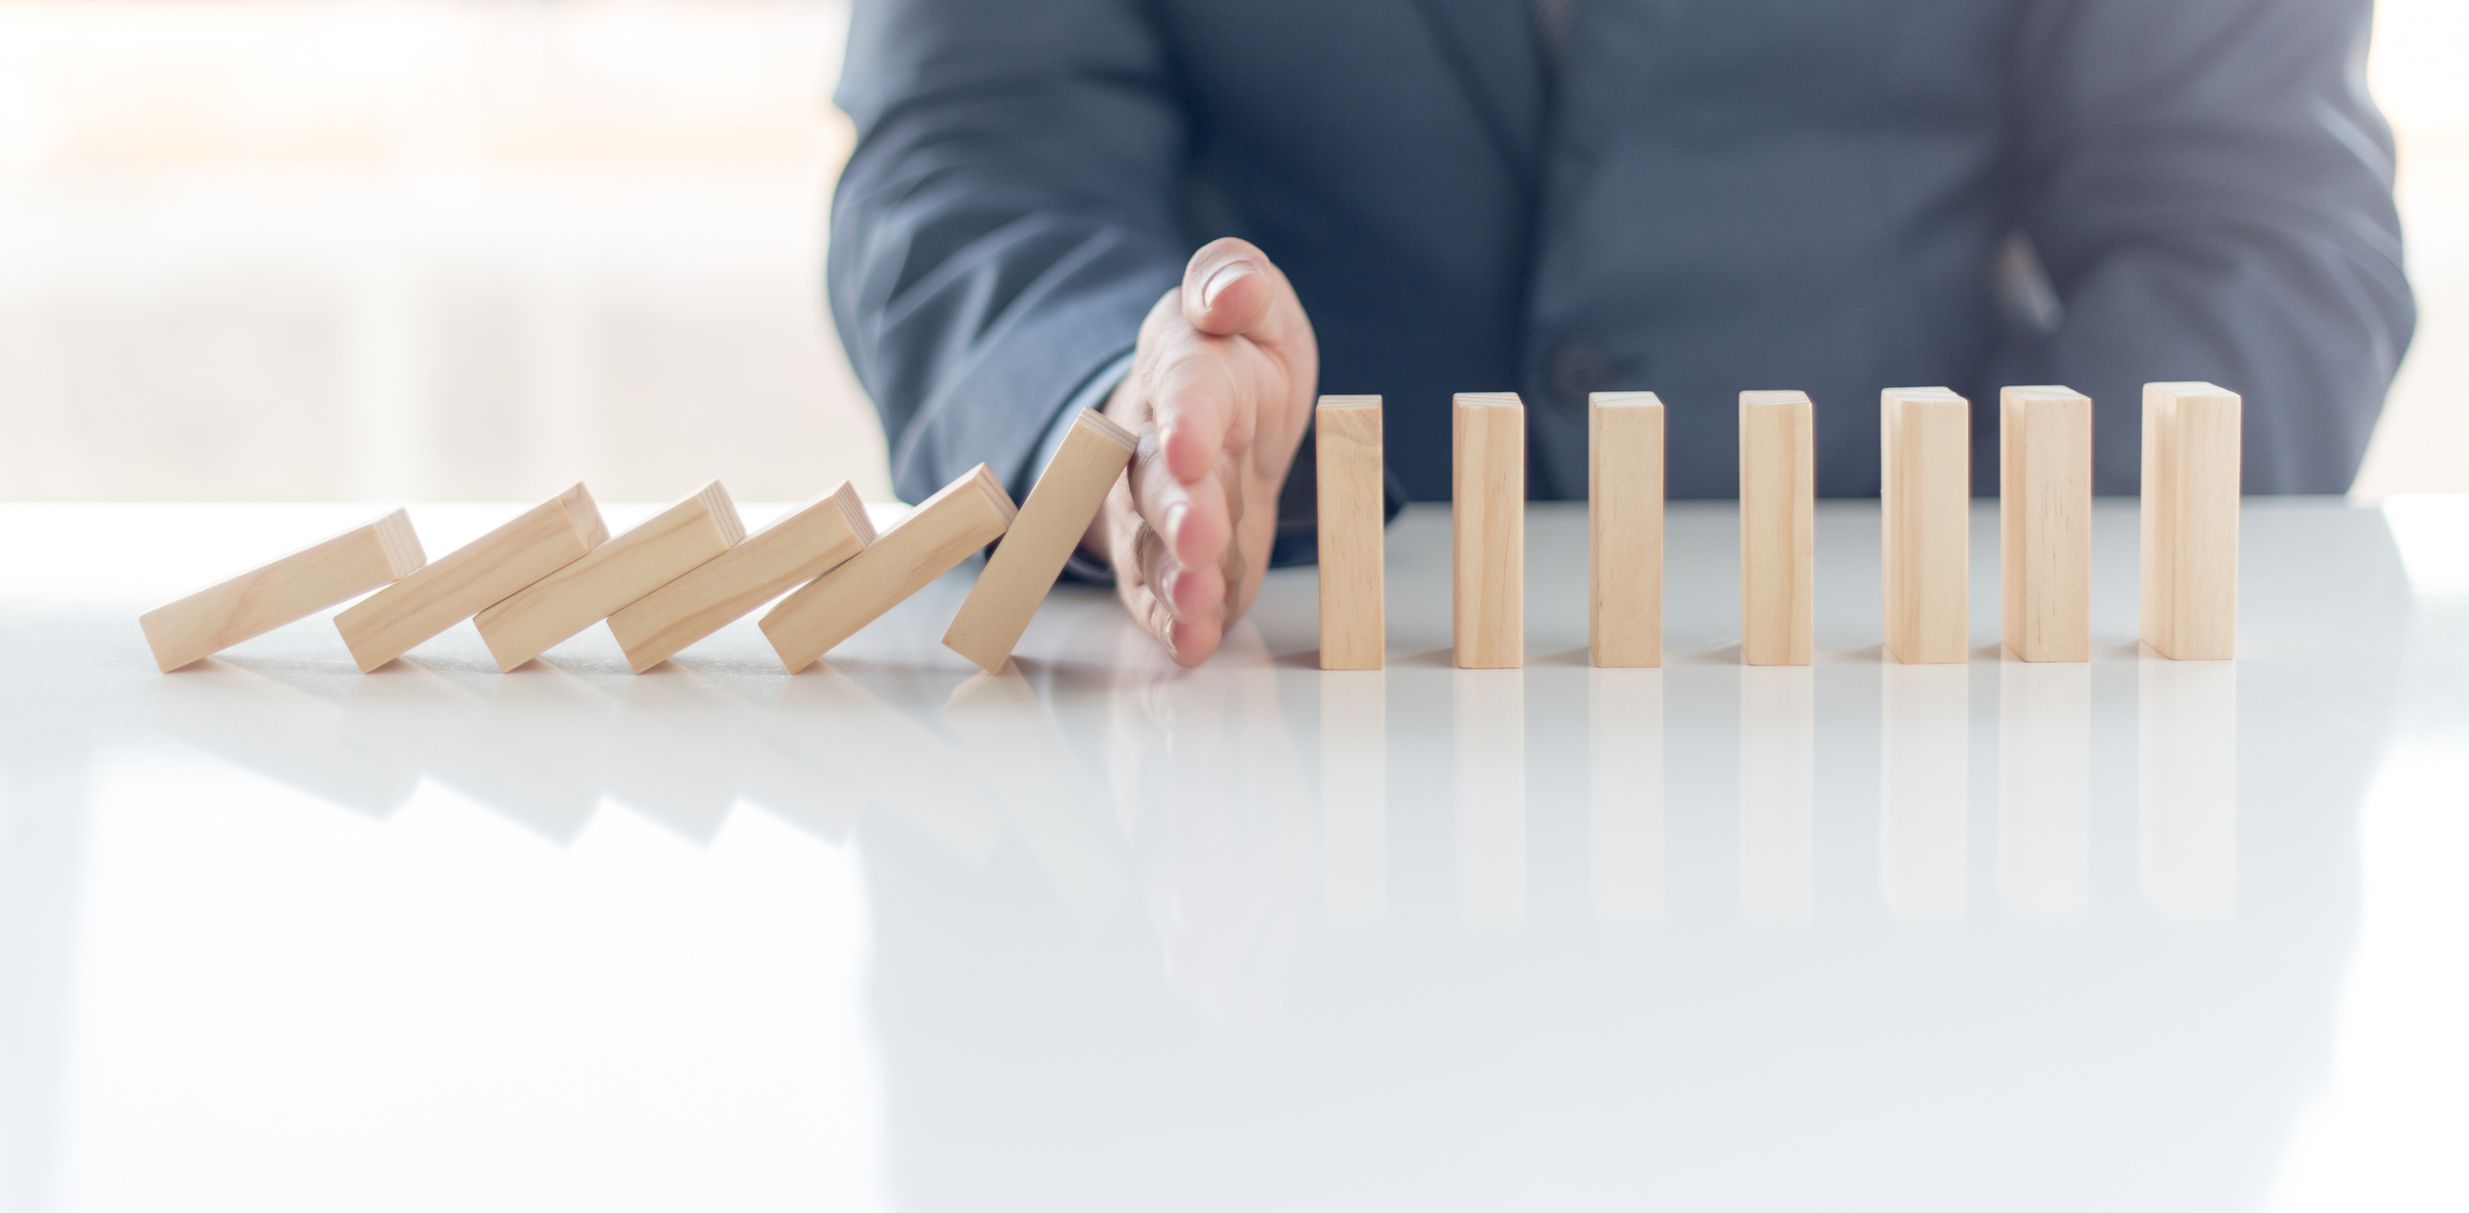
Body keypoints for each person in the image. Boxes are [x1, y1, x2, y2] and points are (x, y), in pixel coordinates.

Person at [827, 0, 2414, 667]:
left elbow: (2252, 232)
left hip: (1920, 795)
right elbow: (970, 161)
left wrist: (2006, 624)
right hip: (1257, 754)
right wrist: (1124, 422)